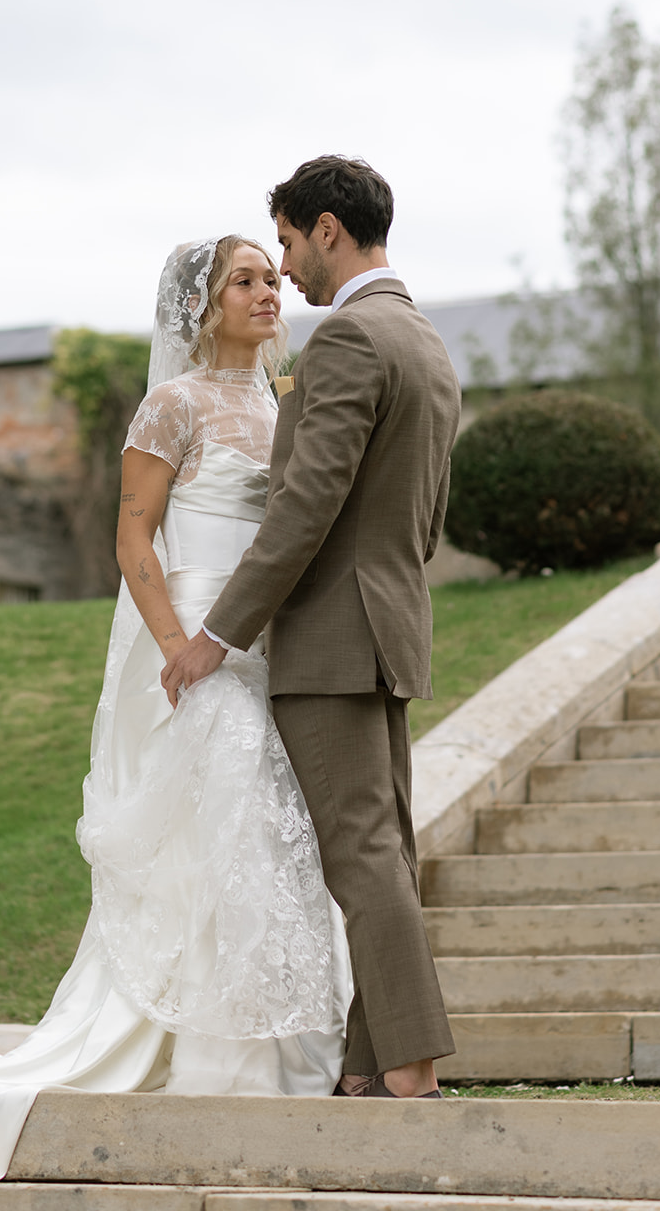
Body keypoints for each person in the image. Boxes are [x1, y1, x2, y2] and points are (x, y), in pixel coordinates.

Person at [0, 235, 350, 1185]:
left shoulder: (287, 404)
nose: (268, 293)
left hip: (275, 647)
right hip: (200, 647)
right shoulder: (173, 405)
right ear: (202, 307)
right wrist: (177, 648)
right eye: (245, 281)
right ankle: (217, 1049)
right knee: (222, 829)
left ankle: (276, 1037)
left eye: (269, 279)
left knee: (270, 838)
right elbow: (134, 537)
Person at [163, 158, 461, 1100]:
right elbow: (426, 515)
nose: (286, 270)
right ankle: (371, 1069)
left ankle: (409, 1071)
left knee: (361, 853)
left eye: (288, 243)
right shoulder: (422, 339)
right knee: (386, 849)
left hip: (332, 638)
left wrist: (219, 632)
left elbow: (305, 506)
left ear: (327, 229)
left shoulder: (345, 342)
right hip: (390, 627)